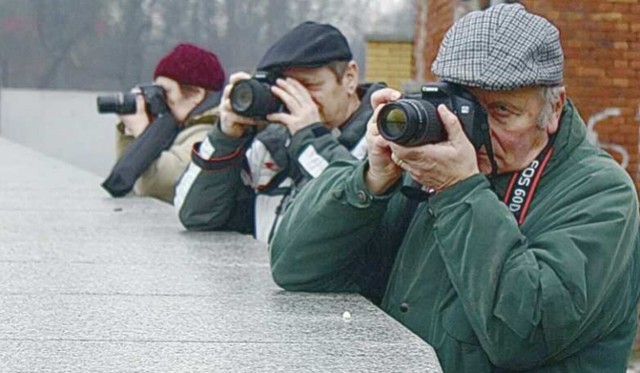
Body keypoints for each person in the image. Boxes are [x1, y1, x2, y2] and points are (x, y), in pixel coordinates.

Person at [269, 4, 640, 372]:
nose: (476, 131)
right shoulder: (428, 166)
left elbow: (525, 337)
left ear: (554, 107)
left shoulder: (601, 193)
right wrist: (370, 180)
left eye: (501, 111)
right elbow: (295, 269)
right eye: (467, 109)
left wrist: (460, 189)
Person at [174, 21, 386, 242]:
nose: (295, 100)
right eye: (284, 89)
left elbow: (353, 208)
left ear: (349, 78)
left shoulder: (383, 139)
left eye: (309, 85)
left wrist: (310, 138)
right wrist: (226, 139)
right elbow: (196, 216)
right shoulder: (272, 144)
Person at [105, 43, 225, 203]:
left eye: (165, 92)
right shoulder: (173, 129)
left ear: (196, 95)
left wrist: (143, 131)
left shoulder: (207, 136)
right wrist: (128, 131)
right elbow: (129, 182)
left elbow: (151, 186)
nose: (159, 99)